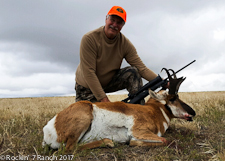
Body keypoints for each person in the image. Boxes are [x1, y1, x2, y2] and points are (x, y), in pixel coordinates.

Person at [75, 6, 158, 103]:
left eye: (119, 23)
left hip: (108, 83)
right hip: (87, 87)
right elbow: (89, 72)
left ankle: (138, 109)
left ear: (123, 25)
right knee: (95, 117)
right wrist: (105, 102)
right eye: (112, 20)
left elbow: (142, 69)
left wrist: (164, 82)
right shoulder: (89, 39)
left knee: (133, 72)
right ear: (106, 19)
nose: (114, 25)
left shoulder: (125, 43)